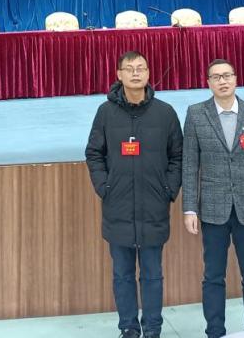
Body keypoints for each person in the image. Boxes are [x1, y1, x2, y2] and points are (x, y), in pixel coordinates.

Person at [85, 50, 183, 338]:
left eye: (141, 68)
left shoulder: (165, 113)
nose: (136, 73)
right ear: (119, 75)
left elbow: (178, 156)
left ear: (149, 73)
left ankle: (152, 328)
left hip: (154, 206)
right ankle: (128, 327)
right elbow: (94, 153)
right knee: (122, 274)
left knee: (152, 274)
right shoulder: (106, 112)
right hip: (118, 207)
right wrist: (105, 187)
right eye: (129, 68)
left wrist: (168, 189)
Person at [182, 58, 244, 338]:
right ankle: (215, 331)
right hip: (213, 210)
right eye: (216, 77)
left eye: (227, 75)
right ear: (208, 83)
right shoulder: (196, 114)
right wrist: (189, 209)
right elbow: (190, 165)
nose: (222, 81)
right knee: (213, 276)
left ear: (236, 79)